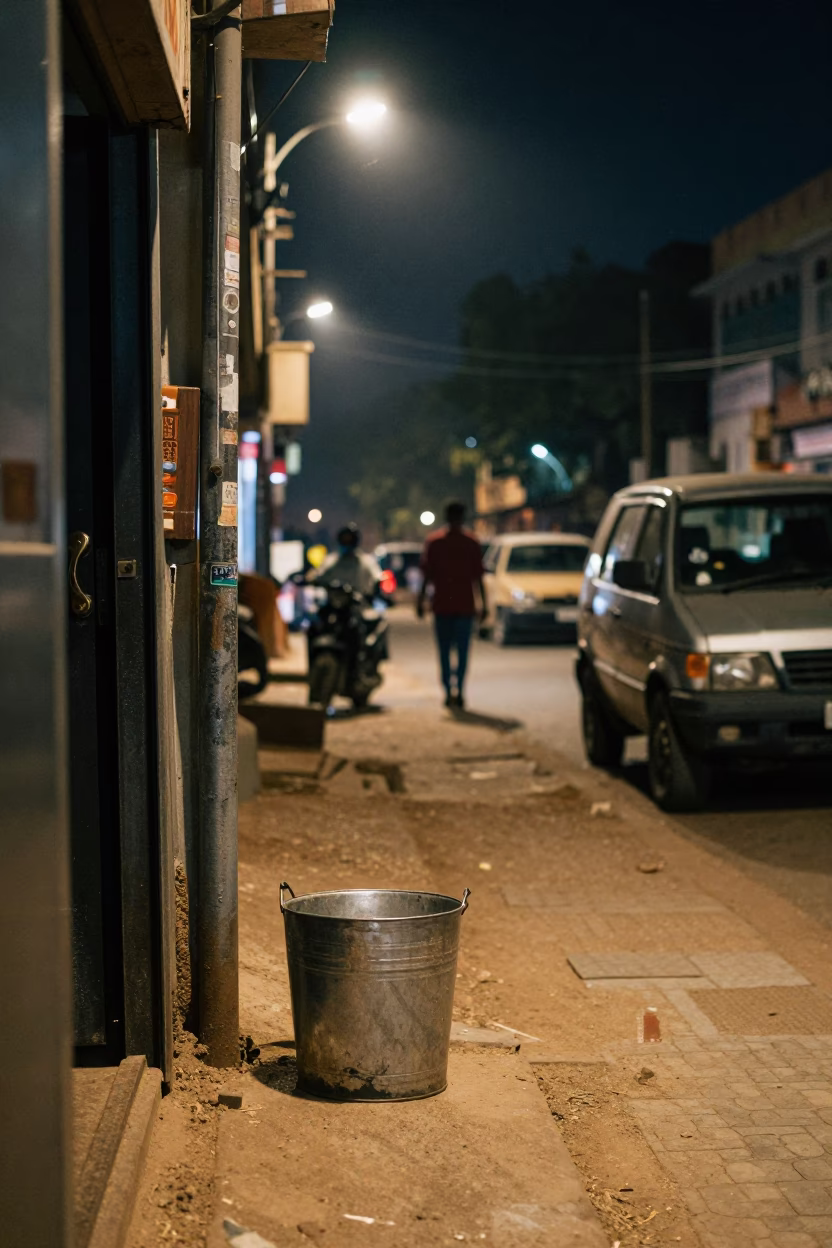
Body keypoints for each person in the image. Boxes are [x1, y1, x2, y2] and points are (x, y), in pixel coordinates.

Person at [417, 501, 486, 709]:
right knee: (462, 652)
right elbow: (479, 578)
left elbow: (426, 576)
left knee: (445, 652)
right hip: (463, 606)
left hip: (443, 606)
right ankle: (459, 690)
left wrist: (420, 601)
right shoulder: (470, 542)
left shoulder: (435, 542)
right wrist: (484, 604)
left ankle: (449, 690)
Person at [314, 523, 382, 600]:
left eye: (350, 539)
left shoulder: (366, 561)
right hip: (334, 602)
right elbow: (319, 576)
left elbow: (377, 577)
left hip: (358, 603)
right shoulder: (331, 560)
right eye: (344, 539)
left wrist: (373, 593)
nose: (347, 541)